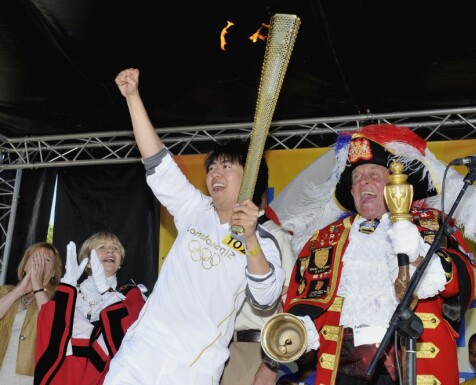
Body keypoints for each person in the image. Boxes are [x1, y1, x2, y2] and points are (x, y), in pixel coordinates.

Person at [278, 124, 476, 385]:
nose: (364, 181)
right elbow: (305, 298)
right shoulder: (326, 238)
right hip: (344, 366)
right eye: (358, 177)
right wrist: (299, 328)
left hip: (408, 359)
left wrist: (417, 254)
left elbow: (462, 282)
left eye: (374, 173)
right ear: (351, 192)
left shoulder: (432, 226)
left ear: (397, 184)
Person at [106, 68, 285, 385]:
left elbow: (265, 298)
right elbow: (156, 160)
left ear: (251, 178)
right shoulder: (194, 208)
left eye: (227, 167)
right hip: (143, 351)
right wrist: (132, 97)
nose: (215, 173)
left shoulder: (265, 242)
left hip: (194, 368)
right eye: (213, 167)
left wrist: (251, 239)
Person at [35, 231, 146, 385]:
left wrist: (106, 291)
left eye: (115, 248)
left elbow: (132, 336)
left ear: (120, 262)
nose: (110, 251)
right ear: (87, 262)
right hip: (68, 376)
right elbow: (48, 327)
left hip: (106, 377)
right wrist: (68, 285)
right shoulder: (69, 294)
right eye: (102, 247)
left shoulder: (131, 294)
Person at [220, 192, 296, 385]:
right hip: (222, 349)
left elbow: (290, 308)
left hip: (257, 351)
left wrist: (271, 364)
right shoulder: (223, 234)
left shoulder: (276, 236)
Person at [0, 242, 63, 385]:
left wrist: (37, 286)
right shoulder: (4, 291)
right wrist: (20, 290)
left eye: (46, 260)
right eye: (35, 258)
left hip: (32, 377)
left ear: (54, 272)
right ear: (24, 265)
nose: (39, 264)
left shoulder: (59, 298)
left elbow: (53, 325)